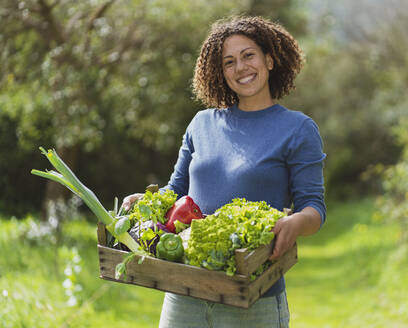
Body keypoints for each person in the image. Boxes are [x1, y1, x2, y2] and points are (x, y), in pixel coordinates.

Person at [122, 15, 326, 328]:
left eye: (248, 56)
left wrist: (296, 222)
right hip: (184, 292)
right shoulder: (201, 124)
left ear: (269, 60)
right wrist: (146, 201)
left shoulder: (298, 129)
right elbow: (176, 191)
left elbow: (314, 207)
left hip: (252, 297)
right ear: (220, 72)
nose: (240, 68)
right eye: (229, 62)